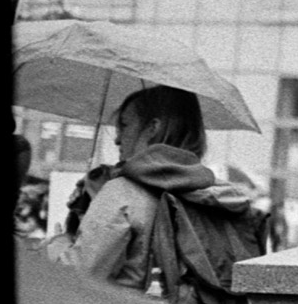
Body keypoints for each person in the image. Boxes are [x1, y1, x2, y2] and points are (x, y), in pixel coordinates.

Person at [42, 87, 255, 292]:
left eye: (124, 125)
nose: (117, 139)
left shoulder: (122, 193)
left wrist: (58, 245)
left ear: (152, 128)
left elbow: (78, 277)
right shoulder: (219, 196)